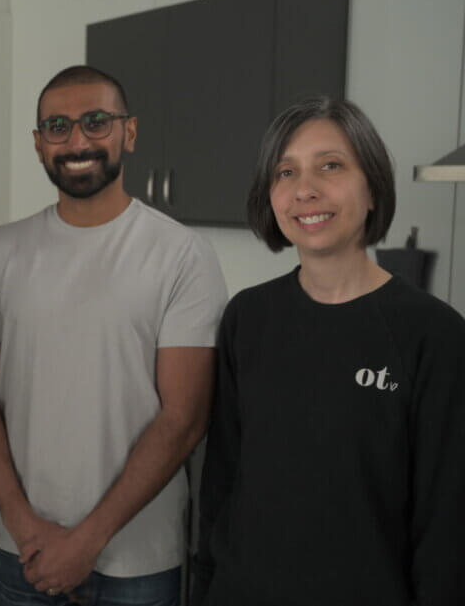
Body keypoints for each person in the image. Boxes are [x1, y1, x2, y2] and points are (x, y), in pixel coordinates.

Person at [0, 65, 228, 606]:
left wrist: (87, 540)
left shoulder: (180, 255)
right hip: (24, 550)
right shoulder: (2, 252)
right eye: (57, 126)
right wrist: (21, 523)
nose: (77, 140)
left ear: (129, 132)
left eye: (96, 122)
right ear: (38, 145)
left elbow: (184, 419)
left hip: (139, 559)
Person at [193, 95, 465, 605]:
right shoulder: (247, 318)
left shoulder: (435, 336)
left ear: (372, 188)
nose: (305, 190)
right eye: (285, 172)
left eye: (331, 166)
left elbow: (446, 528)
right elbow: (221, 487)